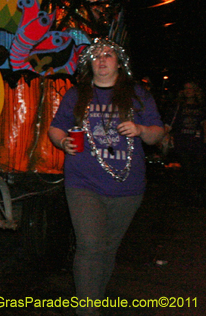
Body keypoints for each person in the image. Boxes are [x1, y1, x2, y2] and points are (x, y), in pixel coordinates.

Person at [48, 39, 164, 315]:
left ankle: (93, 299)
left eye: (108, 55)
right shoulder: (77, 95)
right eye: (96, 56)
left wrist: (139, 129)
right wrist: (63, 142)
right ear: (89, 64)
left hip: (128, 187)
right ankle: (88, 311)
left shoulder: (138, 95)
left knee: (107, 248)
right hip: (83, 182)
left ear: (119, 62)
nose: (102, 60)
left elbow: (157, 133)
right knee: (90, 244)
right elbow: (55, 129)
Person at [165, 80, 206, 204]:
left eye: (190, 88)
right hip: (182, 141)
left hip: (197, 142)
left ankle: (199, 194)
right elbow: (169, 123)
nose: (188, 91)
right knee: (187, 169)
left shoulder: (201, 107)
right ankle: (189, 195)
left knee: (199, 168)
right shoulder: (178, 106)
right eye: (186, 88)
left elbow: (204, 123)